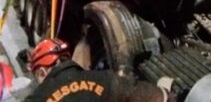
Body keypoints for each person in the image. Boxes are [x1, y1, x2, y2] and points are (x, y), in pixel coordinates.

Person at [25, 38, 176, 102]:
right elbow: (157, 97)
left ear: (41, 72)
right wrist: (164, 91)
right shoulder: (105, 80)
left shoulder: (36, 99)